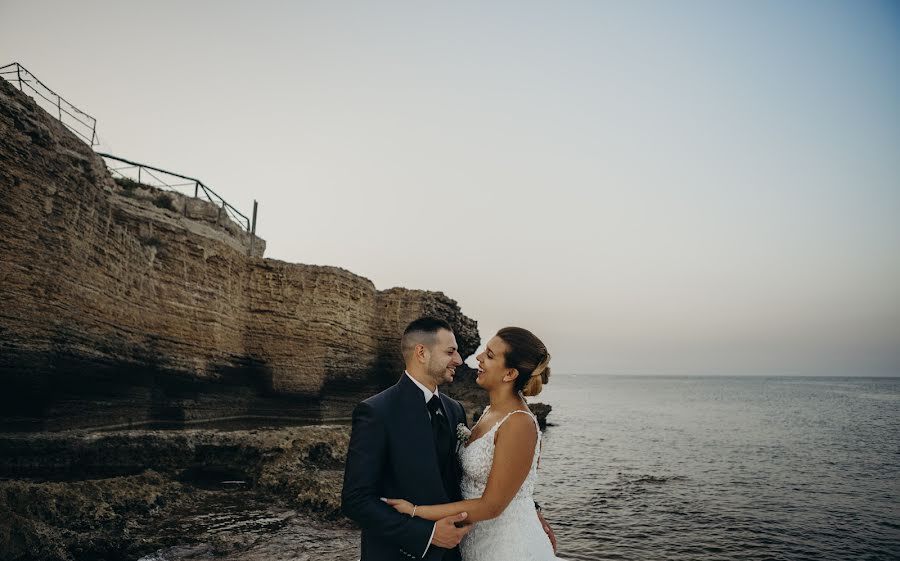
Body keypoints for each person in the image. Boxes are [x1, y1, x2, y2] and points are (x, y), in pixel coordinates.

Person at [384, 326, 563, 561]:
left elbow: (491, 506)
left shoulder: (519, 423)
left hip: (507, 547)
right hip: (476, 543)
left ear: (510, 374)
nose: (478, 358)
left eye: (489, 355)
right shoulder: (490, 412)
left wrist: (416, 512)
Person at [341, 317, 472, 560]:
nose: (459, 360)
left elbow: (464, 478)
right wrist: (427, 534)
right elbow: (355, 499)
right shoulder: (376, 412)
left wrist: (527, 509)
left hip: (453, 554)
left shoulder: (455, 410)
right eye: (450, 351)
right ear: (421, 353)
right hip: (400, 554)